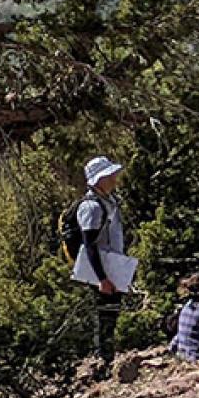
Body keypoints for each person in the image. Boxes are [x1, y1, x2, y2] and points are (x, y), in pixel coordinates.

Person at [75, 156, 126, 379]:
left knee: (111, 314)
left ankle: (107, 358)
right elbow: (90, 245)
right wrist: (101, 278)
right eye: (109, 176)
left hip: (112, 268)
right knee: (103, 316)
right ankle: (101, 362)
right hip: (102, 272)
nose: (114, 179)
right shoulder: (92, 207)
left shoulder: (109, 201)